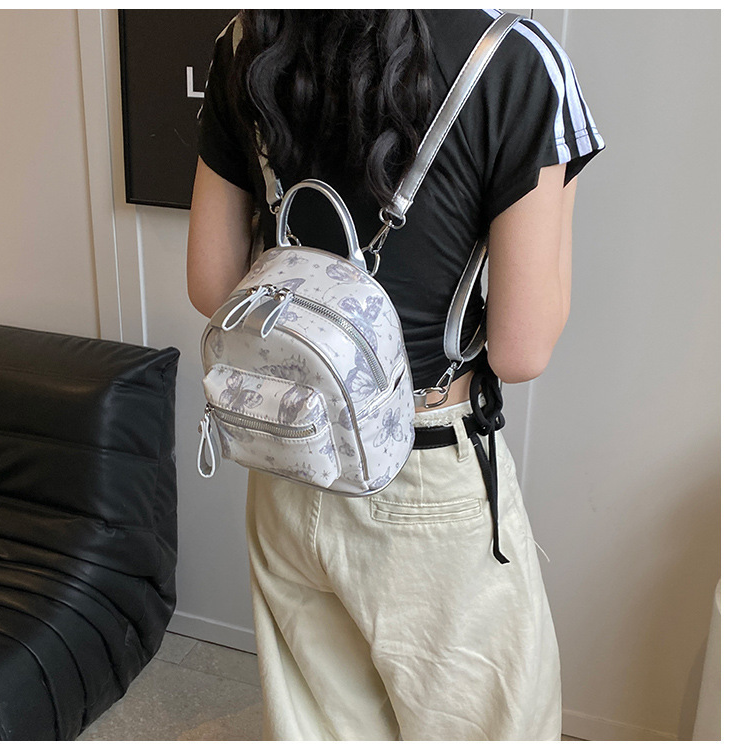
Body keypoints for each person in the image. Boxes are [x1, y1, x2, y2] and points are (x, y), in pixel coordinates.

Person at [187, 9, 604, 741]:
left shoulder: (248, 38)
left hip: (289, 459)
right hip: (422, 474)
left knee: (325, 727)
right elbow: (521, 349)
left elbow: (212, 283)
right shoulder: (514, 61)